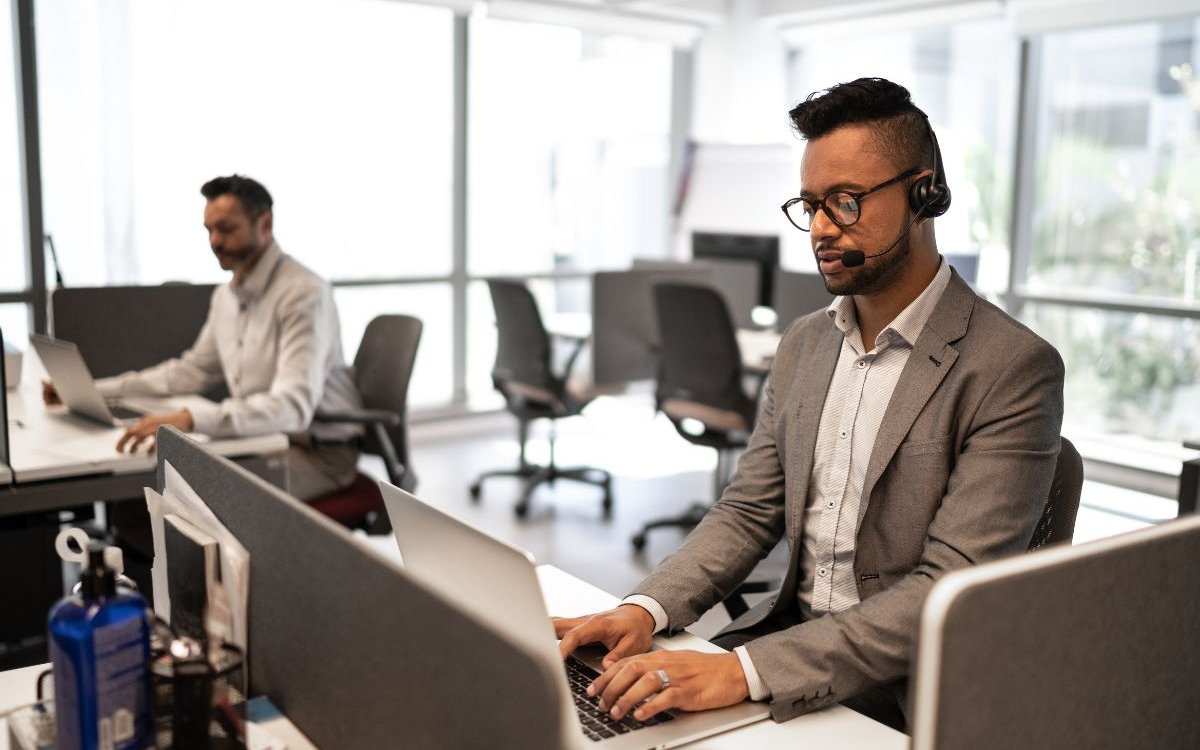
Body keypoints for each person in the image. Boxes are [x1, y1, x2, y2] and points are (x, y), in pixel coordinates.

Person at [553, 78, 1065, 731]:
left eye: (846, 202)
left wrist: (740, 673)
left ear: (923, 193)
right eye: (810, 204)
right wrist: (646, 609)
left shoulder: (1012, 368)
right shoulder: (805, 343)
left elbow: (946, 590)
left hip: (904, 687)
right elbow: (748, 512)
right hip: (784, 639)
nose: (820, 228)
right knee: (594, 717)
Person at [43, 175, 362, 501]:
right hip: (259, 440)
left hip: (318, 455)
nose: (214, 241)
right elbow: (190, 372)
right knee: (151, 482)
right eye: (209, 230)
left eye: (226, 228)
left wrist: (191, 418)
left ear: (264, 225)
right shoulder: (226, 296)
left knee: (191, 498)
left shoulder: (303, 293)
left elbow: (292, 407)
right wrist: (92, 390)